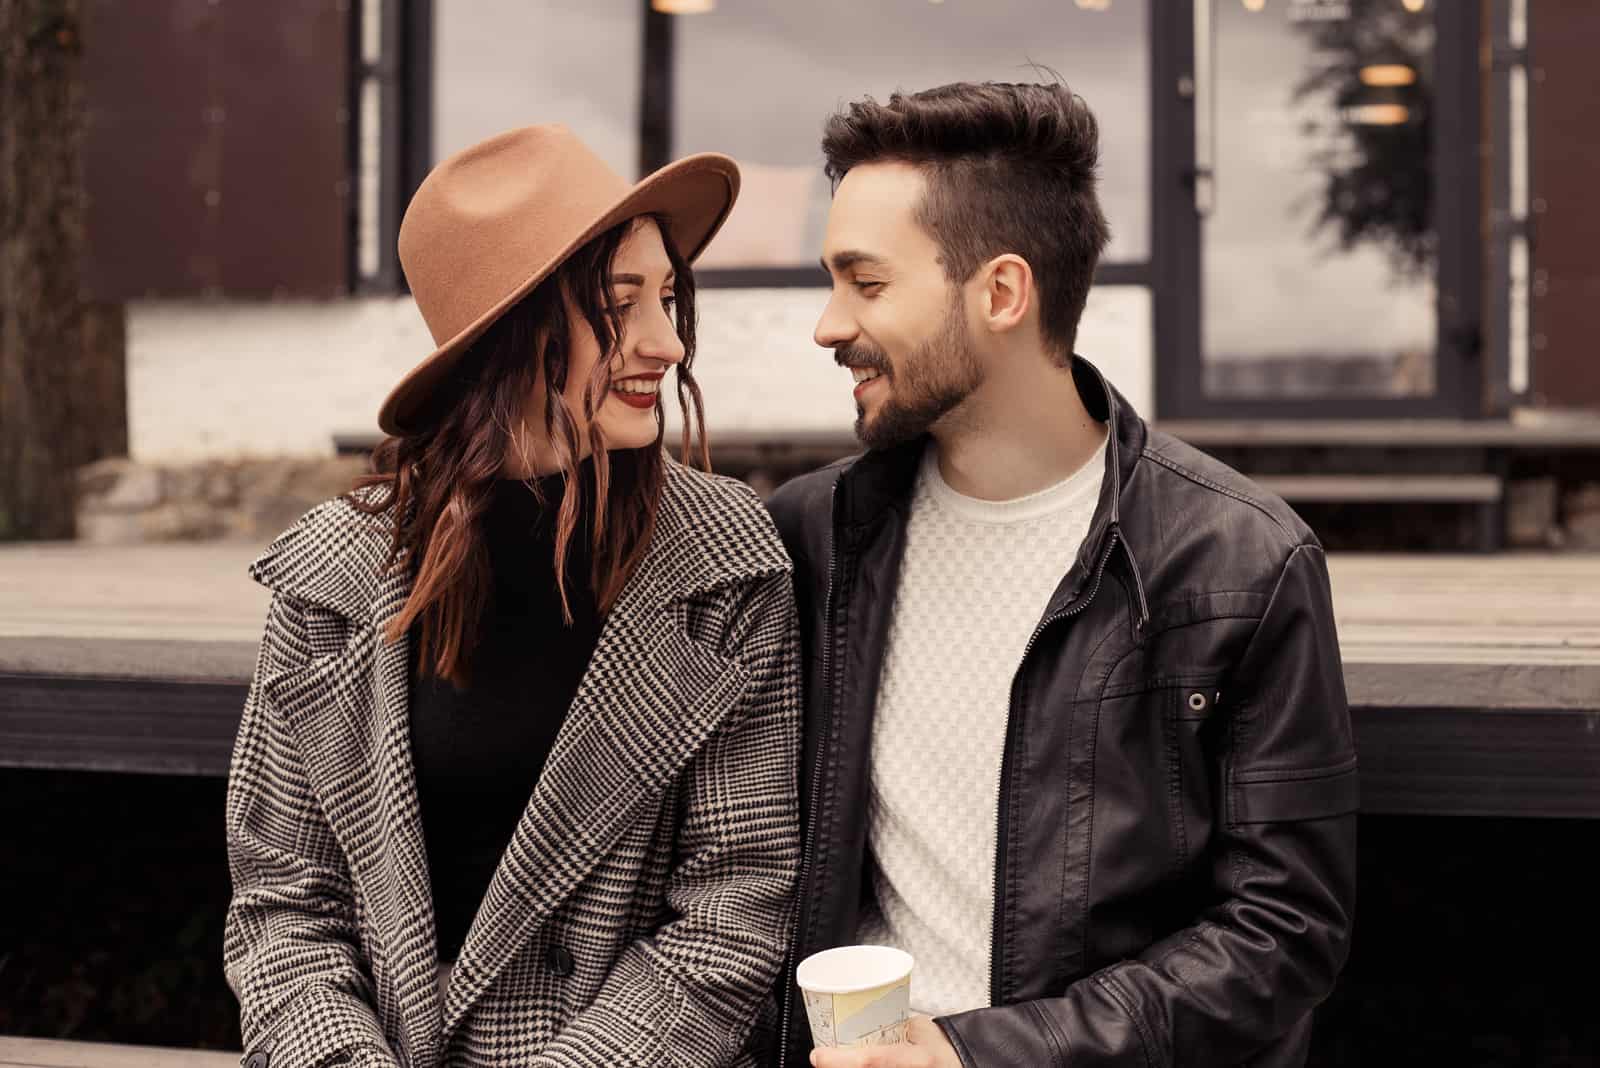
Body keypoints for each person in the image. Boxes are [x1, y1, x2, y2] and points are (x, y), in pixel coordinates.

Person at [765, 83, 1358, 1068]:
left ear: (1001, 293)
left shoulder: (1240, 560)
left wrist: (981, 1055)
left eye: (865, 285)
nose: (828, 325)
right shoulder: (814, 537)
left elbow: (1283, 932)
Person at [224, 124, 801, 1068]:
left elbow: (736, 904)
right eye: (621, 305)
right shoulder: (331, 574)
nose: (669, 341)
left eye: (668, 296)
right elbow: (285, 902)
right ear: (512, 330)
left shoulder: (722, 565)